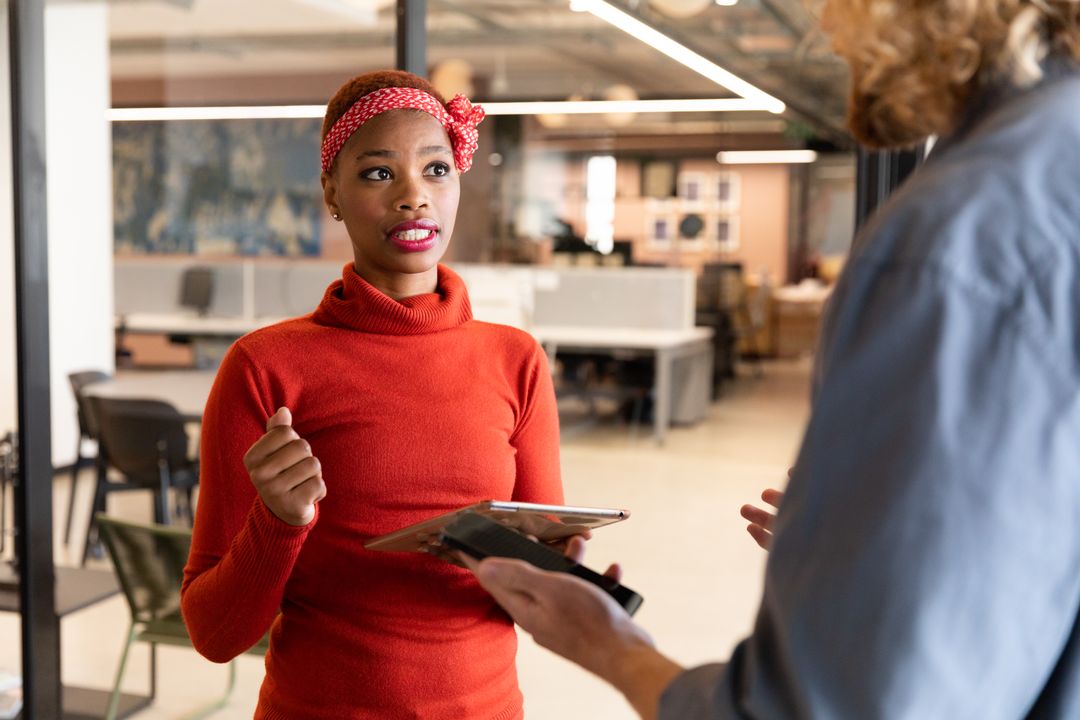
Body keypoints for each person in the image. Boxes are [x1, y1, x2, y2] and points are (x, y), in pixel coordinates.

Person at [466, 0, 1080, 717]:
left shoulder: (955, 235)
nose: (826, 27)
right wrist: (866, 535)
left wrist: (607, 643)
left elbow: (827, 705)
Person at [181, 70, 569, 719]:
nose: (414, 197)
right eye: (379, 174)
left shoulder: (516, 360)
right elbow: (216, 635)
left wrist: (566, 576)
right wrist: (278, 522)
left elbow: (537, 603)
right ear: (331, 192)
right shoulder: (265, 367)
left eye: (436, 169)